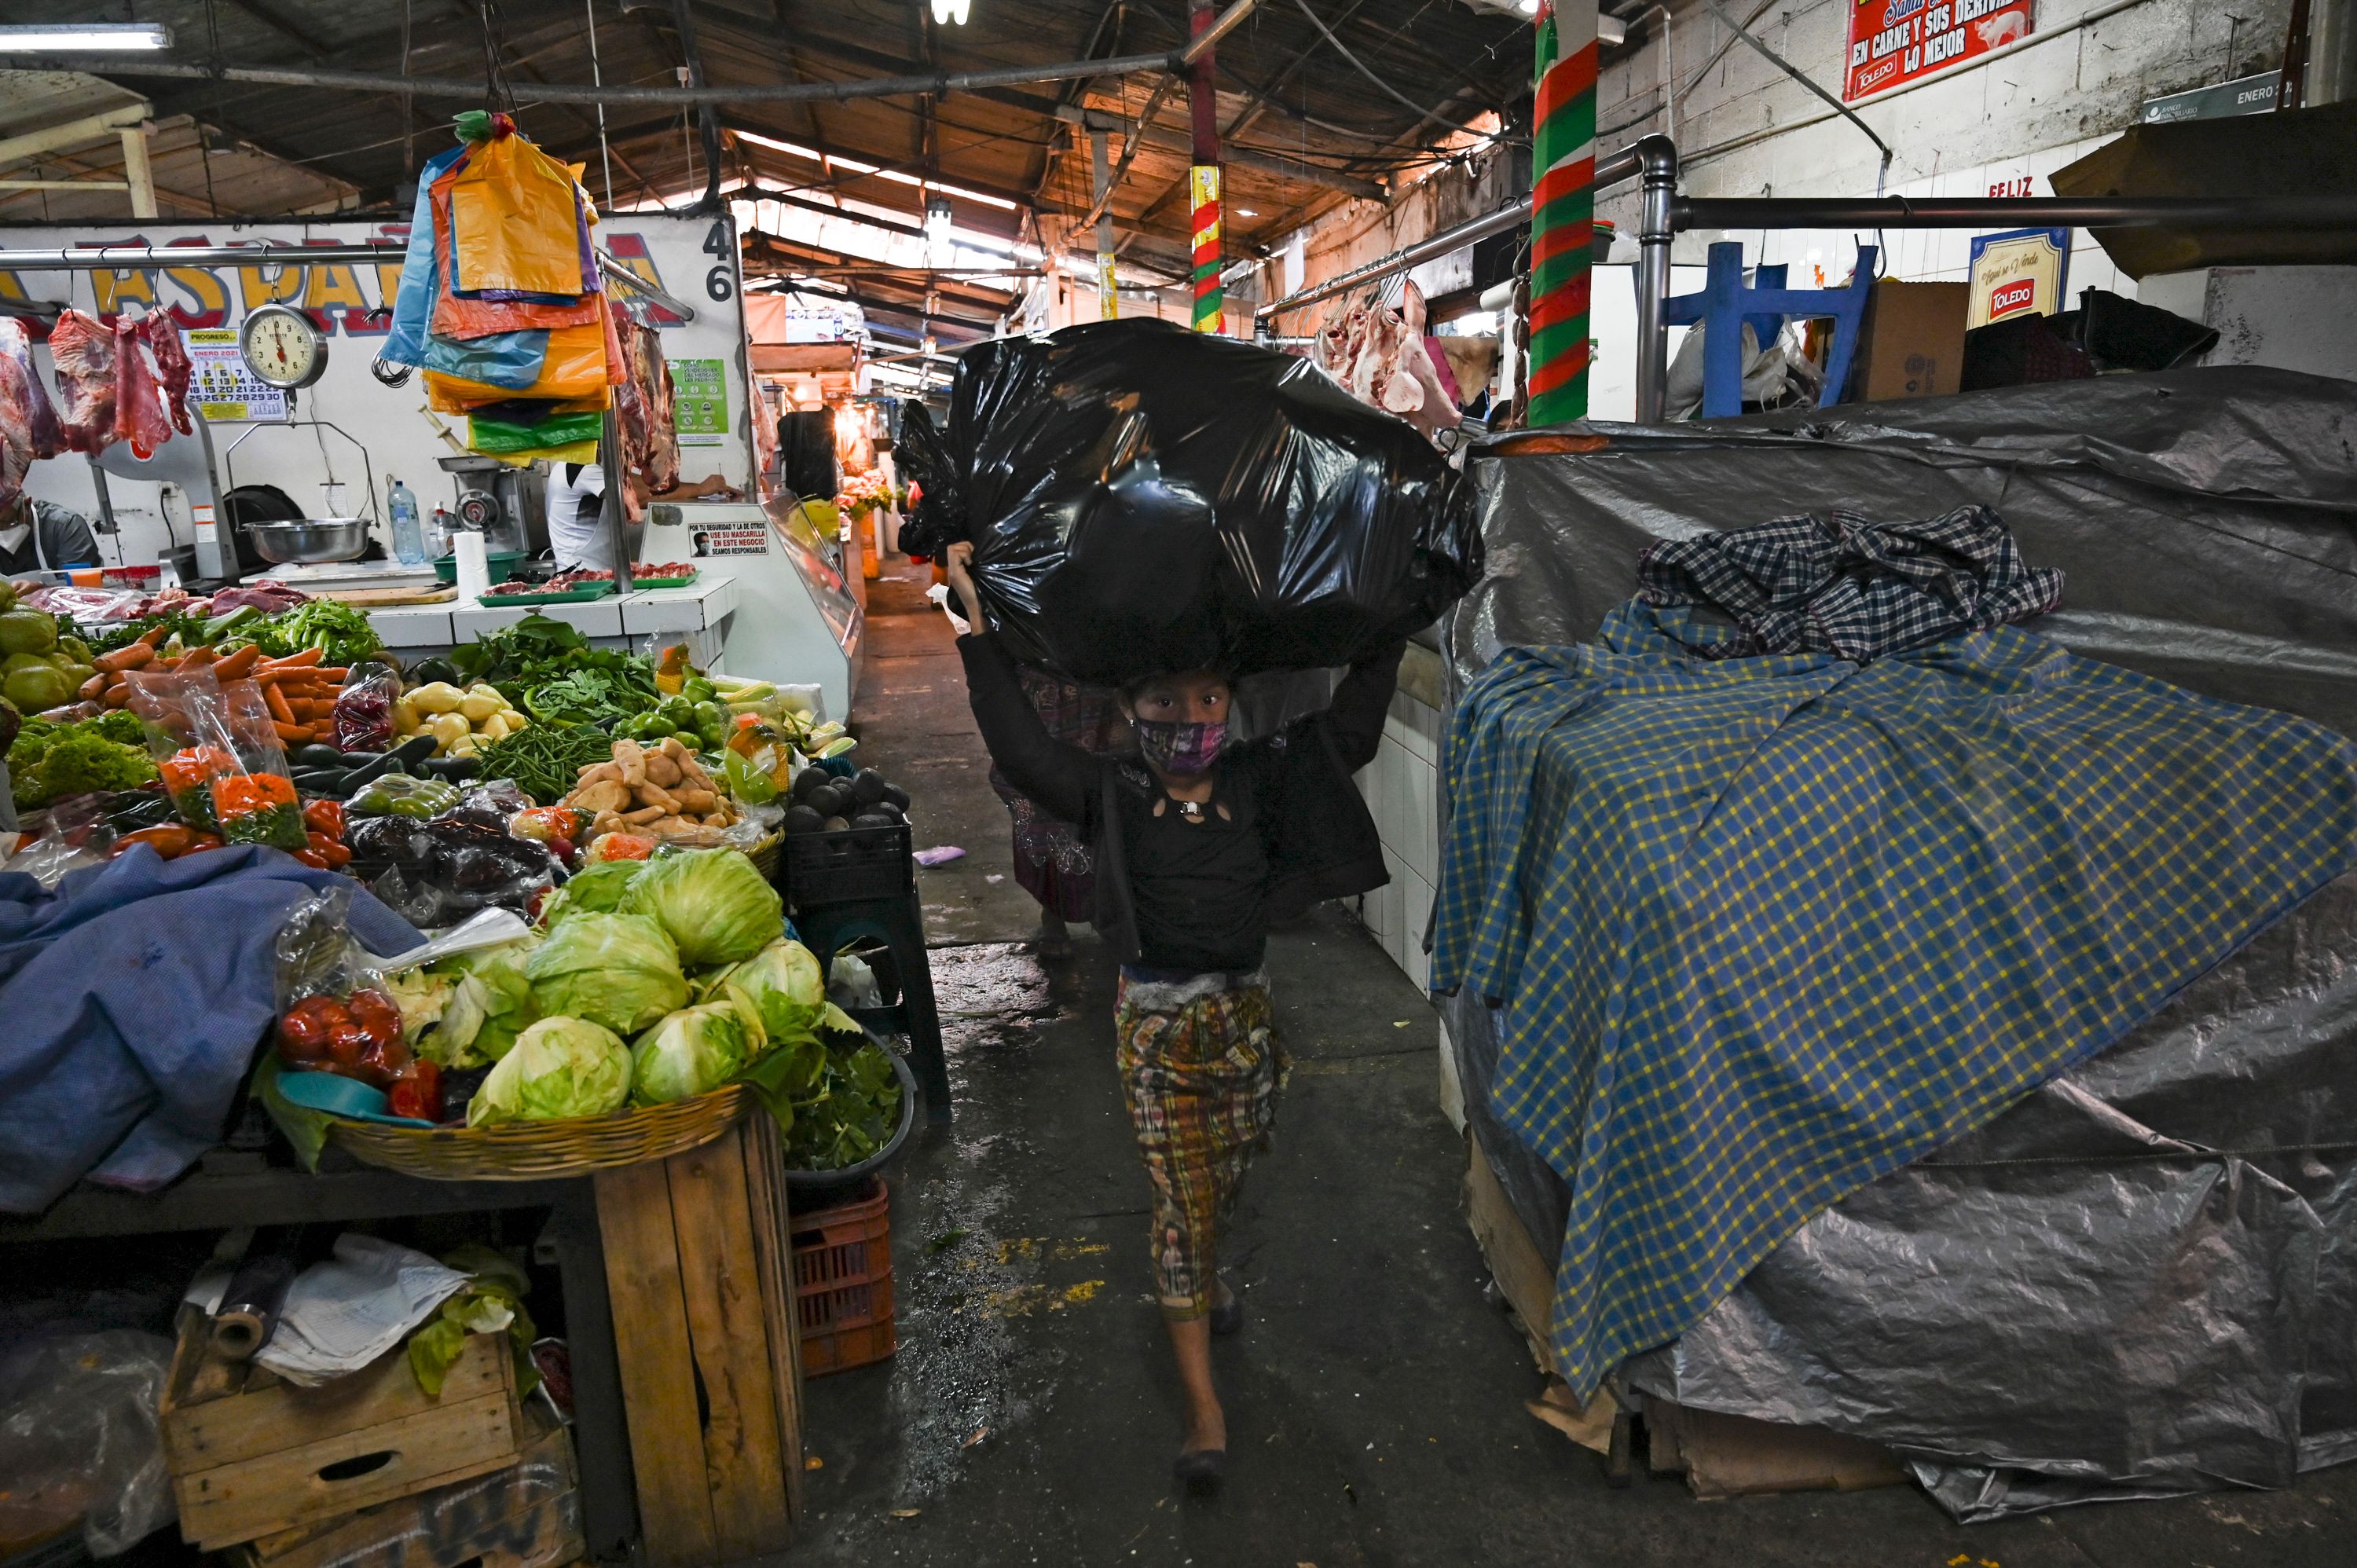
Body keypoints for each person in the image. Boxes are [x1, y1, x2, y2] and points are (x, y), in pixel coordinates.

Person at [944, 540, 1404, 1491]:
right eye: (1163, 701)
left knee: (1219, 1187)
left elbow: (1350, 731)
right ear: (1127, 710)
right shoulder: (1110, 794)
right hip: (1156, 1036)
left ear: (1230, 705)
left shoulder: (1260, 779)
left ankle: (1206, 1268)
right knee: (1180, 1212)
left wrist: (1392, 620)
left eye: (1206, 699)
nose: (1188, 719)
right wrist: (976, 631)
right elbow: (1023, 749)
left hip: (1245, 1029)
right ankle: (1203, 1408)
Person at [986, 667, 1128, 958]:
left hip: (1095, 692)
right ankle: (1055, 914)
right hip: (1043, 696)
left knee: (1104, 805)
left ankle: (1098, 914)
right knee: (1043, 807)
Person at [544, 463, 738, 570]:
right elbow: (638, 496)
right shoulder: (579, 469)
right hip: (580, 576)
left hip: (596, 573)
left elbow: (640, 484)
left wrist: (702, 488)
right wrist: (701, 489)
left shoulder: (584, 468)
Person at [0, 494, 100, 577]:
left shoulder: (64, 525)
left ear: (26, 505)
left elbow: (80, 584)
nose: (2, 531)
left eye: (7, 522)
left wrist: (42, 588)